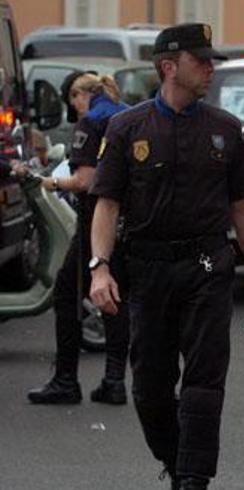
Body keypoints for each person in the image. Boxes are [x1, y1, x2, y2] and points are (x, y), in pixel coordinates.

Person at [88, 23, 244, 490]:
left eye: (210, 60)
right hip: (149, 270)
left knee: (203, 382)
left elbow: (243, 209)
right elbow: (107, 203)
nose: (210, 68)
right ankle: (176, 461)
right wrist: (99, 267)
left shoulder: (224, 129)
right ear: (168, 66)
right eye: (202, 61)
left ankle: (193, 482)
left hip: (207, 267)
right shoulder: (126, 128)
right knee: (151, 390)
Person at [25, 71, 131, 405]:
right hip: (128, 221)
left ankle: (66, 380)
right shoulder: (127, 115)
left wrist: (48, 183)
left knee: (67, 295)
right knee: (116, 297)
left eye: (73, 100)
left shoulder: (92, 121)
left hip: (95, 221)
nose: (74, 107)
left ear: (79, 95)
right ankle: (114, 380)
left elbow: (85, 180)